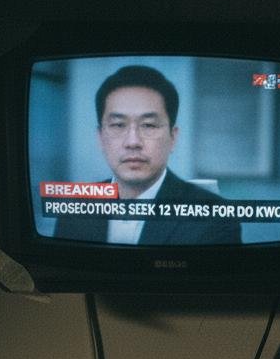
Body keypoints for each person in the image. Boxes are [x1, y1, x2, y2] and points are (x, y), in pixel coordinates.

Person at [53, 65, 242, 245]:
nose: (133, 142)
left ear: (173, 138)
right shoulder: (74, 211)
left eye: (149, 125)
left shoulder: (215, 217)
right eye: (118, 125)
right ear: (101, 138)